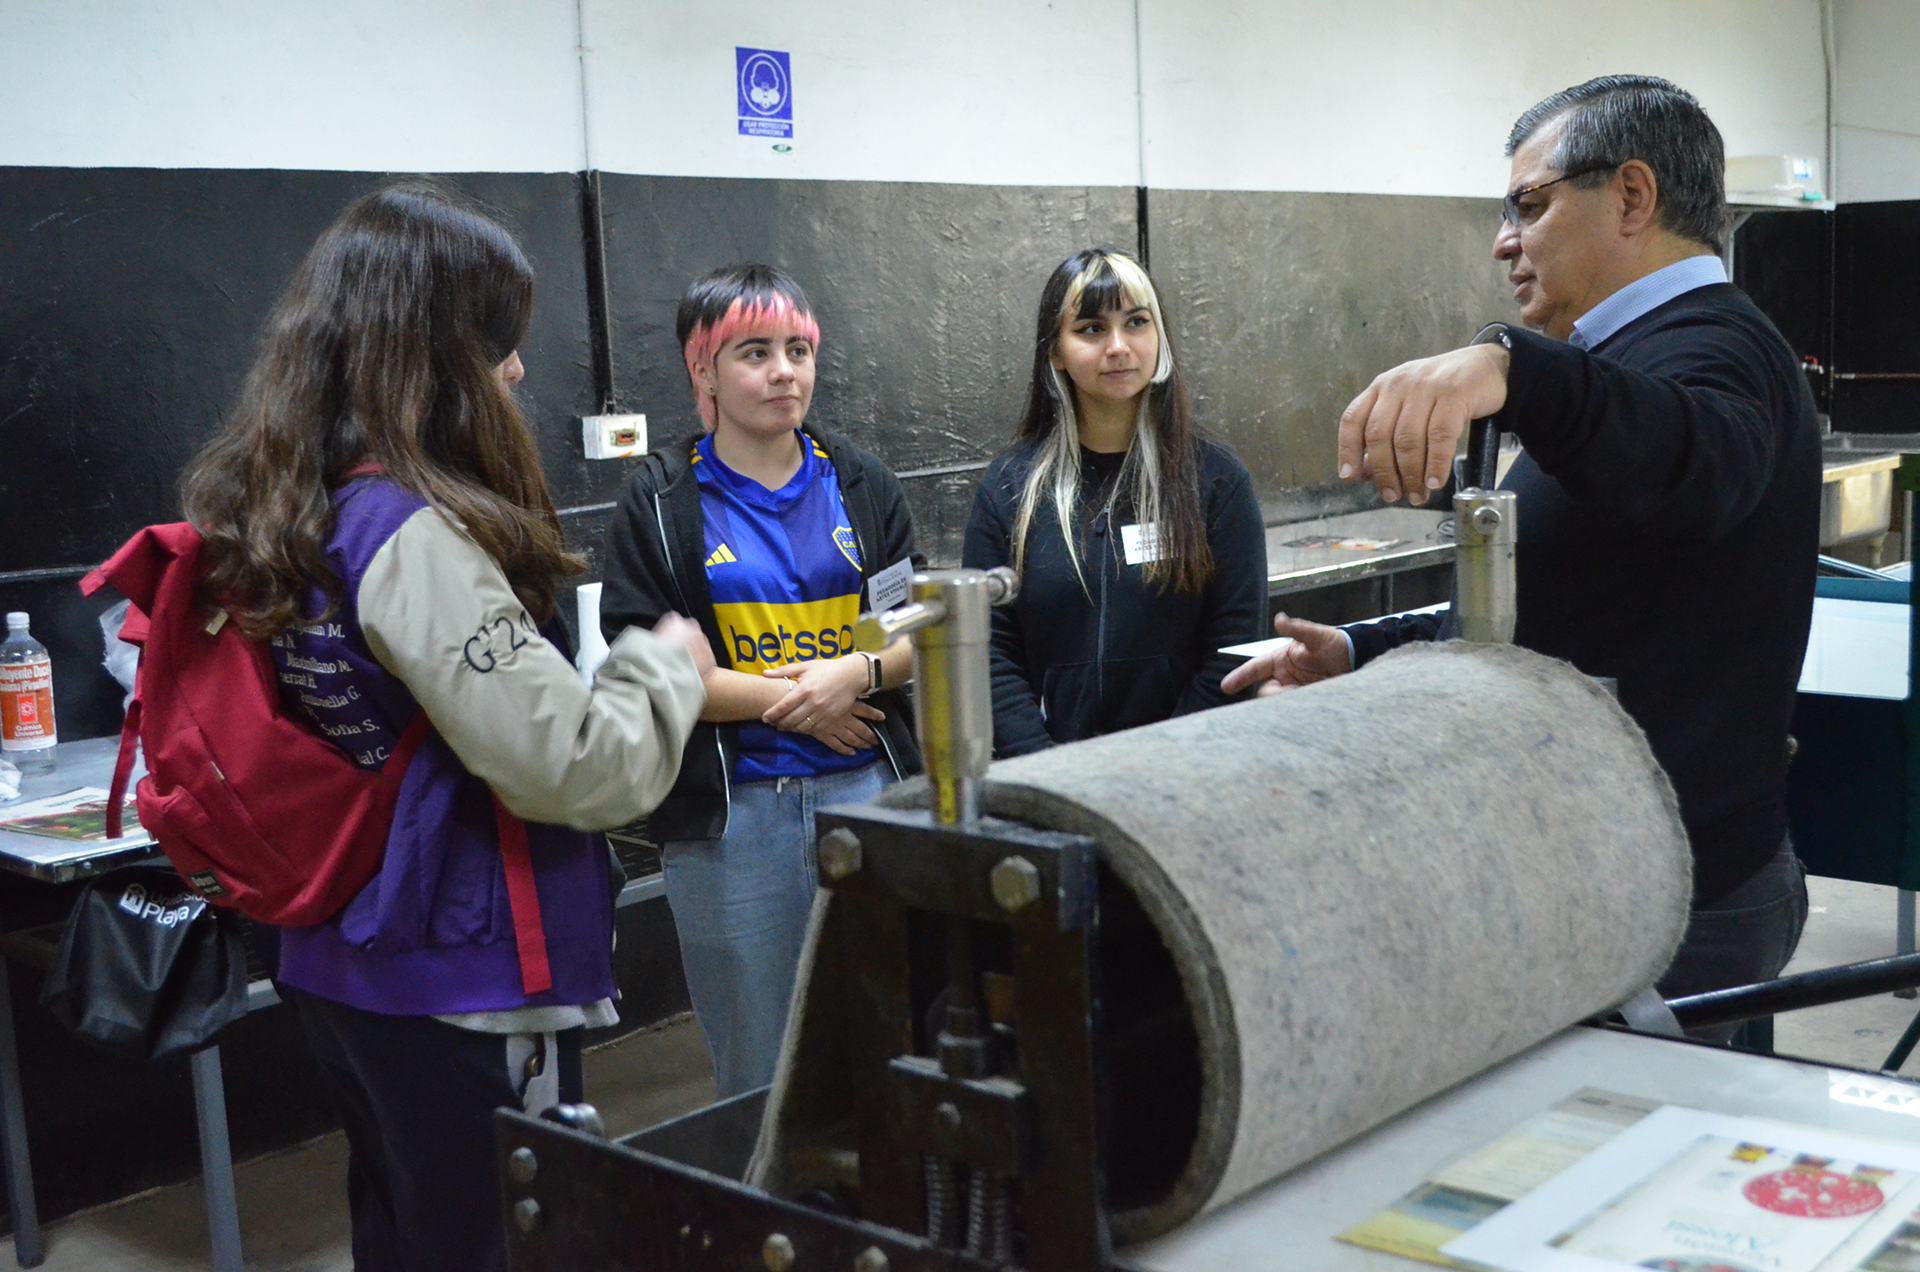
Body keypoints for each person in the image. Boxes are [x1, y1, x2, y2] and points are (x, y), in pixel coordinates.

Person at [177, 182, 711, 1272]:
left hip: (344, 956)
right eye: (495, 344)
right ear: (431, 355)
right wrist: (665, 668)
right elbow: (574, 767)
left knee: (405, 1231)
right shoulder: (410, 538)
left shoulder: (291, 508)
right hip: (461, 973)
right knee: (498, 1245)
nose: (513, 371)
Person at [1223, 76, 1821, 1026]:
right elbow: (1560, 597)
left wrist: (1512, 362)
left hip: (1682, 903)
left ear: (1632, 196)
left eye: (1528, 206)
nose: (1504, 241)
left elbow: (1698, 464)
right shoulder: (1618, 365)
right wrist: (1362, 651)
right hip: (1605, 870)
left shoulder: (1715, 347)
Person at [598, 264, 921, 1097]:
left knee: (890, 1037)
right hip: (732, 821)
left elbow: (907, 634)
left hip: (868, 795)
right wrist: (811, 702)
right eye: (755, 353)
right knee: (759, 1068)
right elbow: (656, 667)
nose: (784, 372)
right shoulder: (660, 501)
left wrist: (854, 670)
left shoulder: (861, 483)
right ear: (702, 371)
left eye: (797, 351)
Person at [963, 247, 1267, 756]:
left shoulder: (1215, 479)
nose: (1119, 347)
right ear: (1055, 352)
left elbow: (1235, 649)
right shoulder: (1011, 486)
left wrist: (1165, 760)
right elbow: (988, 649)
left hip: (1186, 769)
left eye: (1137, 323)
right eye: (1091, 329)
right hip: (1049, 776)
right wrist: (1046, 769)